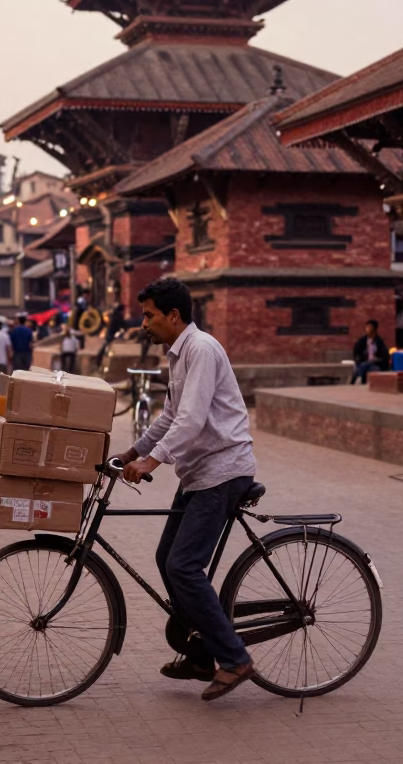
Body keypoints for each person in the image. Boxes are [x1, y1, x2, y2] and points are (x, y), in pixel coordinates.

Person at [113, 278, 256, 702]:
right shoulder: (179, 355)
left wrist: (151, 461)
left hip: (223, 472)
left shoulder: (202, 349)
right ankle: (198, 656)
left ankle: (235, 659)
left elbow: (191, 421)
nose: (144, 324)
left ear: (173, 316)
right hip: (198, 473)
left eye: (149, 315)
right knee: (166, 559)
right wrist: (130, 452)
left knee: (183, 567)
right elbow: (170, 417)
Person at [351, 320, 389, 384]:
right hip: (364, 362)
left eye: (369, 327)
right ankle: (355, 381)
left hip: (375, 364)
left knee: (373, 369)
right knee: (363, 365)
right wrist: (358, 358)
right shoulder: (362, 341)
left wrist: (378, 360)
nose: (367, 329)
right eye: (366, 327)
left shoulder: (379, 342)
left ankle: (357, 380)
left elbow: (384, 355)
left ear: (374, 329)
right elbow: (356, 351)